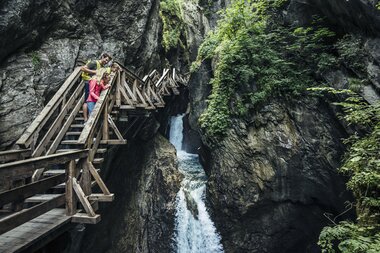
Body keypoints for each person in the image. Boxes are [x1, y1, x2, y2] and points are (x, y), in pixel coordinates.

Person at [81, 53, 112, 122]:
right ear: (102, 57)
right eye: (106, 59)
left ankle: (89, 117)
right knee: (87, 100)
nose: (106, 62)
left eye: (107, 61)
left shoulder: (101, 65)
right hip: (88, 82)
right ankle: (86, 118)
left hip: (94, 83)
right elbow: (83, 68)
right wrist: (96, 72)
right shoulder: (94, 62)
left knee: (91, 100)